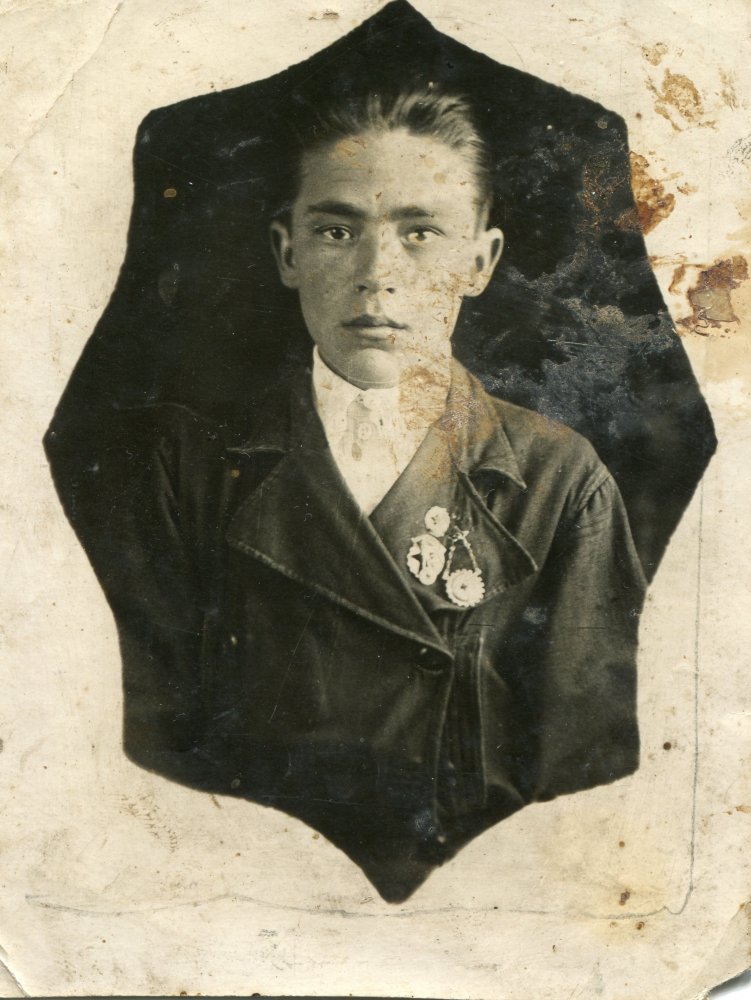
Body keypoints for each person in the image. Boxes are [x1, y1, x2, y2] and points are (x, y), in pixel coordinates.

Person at [74, 88, 648, 903]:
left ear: (478, 262)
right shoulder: (184, 468)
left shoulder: (557, 478)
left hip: (471, 905)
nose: (377, 276)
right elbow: (143, 754)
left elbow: (585, 781)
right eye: (337, 232)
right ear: (287, 252)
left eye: (421, 233)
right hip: (246, 894)